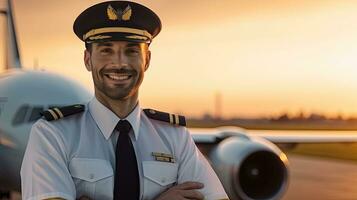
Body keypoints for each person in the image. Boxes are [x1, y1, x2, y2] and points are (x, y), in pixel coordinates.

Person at [20, 1, 229, 200]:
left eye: (131, 51)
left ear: (146, 60)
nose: (119, 63)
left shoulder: (175, 137)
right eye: (106, 50)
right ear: (87, 60)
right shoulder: (53, 134)